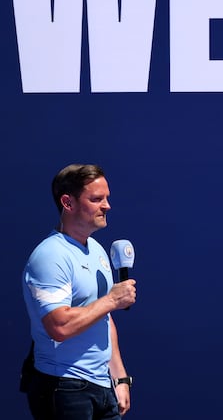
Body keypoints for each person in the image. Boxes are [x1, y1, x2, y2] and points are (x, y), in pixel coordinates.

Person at [22, 164, 137, 419]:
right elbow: (59, 327)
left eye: (106, 198)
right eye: (96, 199)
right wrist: (111, 300)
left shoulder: (96, 250)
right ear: (68, 202)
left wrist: (119, 377)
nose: (106, 206)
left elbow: (103, 317)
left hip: (102, 386)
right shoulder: (51, 255)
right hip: (64, 387)